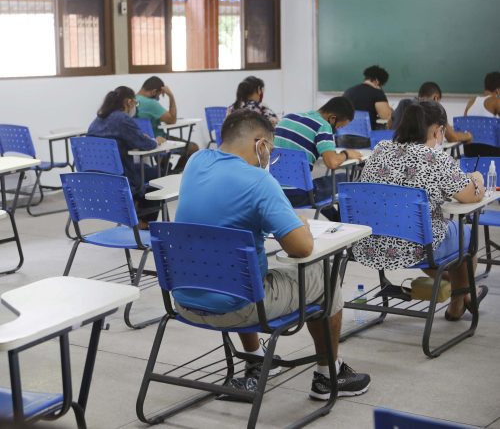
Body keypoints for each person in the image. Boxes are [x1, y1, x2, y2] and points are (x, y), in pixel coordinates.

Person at [174, 110, 370, 400]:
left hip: (184, 300)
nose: (270, 157)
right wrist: (300, 223)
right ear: (260, 144)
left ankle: (256, 360)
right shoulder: (259, 181)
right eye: (271, 149)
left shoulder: (195, 162)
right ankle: (329, 375)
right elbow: (301, 248)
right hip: (237, 307)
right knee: (324, 275)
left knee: (242, 269)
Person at [352, 101, 488, 320]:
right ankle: (459, 301)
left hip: (370, 244)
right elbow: (472, 195)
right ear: (436, 130)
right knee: (466, 235)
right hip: (417, 248)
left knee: (433, 232)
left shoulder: (380, 149)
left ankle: (461, 293)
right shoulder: (436, 159)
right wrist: (477, 178)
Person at [88, 86, 165, 228]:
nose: (135, 107)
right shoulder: (122, 118)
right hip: (122, 177)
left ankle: (137, 215)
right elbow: (146, 144)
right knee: (158, 174)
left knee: (145, 169)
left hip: (97, 178)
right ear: (129, 102)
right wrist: (155, 141)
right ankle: (144, 222)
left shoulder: (97, 120)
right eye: (135, 103)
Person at [274, 97, 362, 221]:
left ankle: (336, 219)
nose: (336, 130)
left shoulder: (287, 118)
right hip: (300, 195)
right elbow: (332, 162)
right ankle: (348, 224)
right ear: (332, 118)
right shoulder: (323, 126)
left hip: (274, 191)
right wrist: (346, 154)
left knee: (321, 186)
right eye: (339, 127)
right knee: (347, 178)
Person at [136, 76, 199, 171]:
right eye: (159, 95)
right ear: (154, 92)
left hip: (142, 140)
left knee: (165, 160)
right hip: (158, 140)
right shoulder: (150, 103)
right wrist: (171, 96)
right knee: (193, 148)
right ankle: (174, 174)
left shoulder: (134, 100)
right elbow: (172, 120)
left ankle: (165, 171)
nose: (158, 98)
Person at [391, 81, 473, 142]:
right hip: (421, 154)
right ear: (435, 98)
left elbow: (390, 124)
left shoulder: (404, 103)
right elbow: (453, 138)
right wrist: (468, 135)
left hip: (397, 150)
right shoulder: (434, 109)